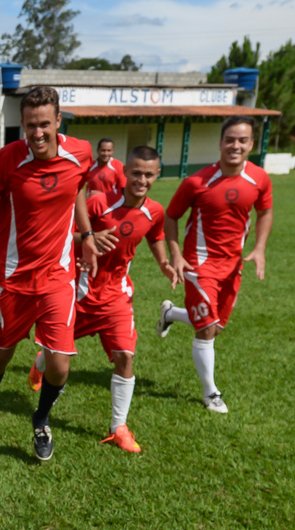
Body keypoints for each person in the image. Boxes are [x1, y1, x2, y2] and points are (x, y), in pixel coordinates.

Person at [0, 85, 100, 462]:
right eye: (30, 125)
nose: (37, 133)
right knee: (0, 353)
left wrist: (86, 234)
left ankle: (41, 418)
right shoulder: (9, 158)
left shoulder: (81, 154)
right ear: (21, 124)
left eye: (44, 124)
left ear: (59, 121)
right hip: (12, 276)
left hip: (58, 274)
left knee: (59, 363)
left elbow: (77, 190)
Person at [28, 146, 178, 452]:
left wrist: (164, 263)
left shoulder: (155, 211)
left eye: (149, 175)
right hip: (80, 293)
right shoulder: (97, 203)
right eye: (136, 173)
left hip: (116, 297)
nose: (142, 180)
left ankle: (118, 427)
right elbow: (62, 234)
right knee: (59, 354)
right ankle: (41, 363)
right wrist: (88, 240)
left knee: (125, 356)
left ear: (157, 175)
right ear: (126, 172)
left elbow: (156, 235)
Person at [158, 116, 274, 413]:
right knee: (207, 329)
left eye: (243, 140)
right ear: (220, 143)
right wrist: (176, 255)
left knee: (217, 327)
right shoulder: (197, 182)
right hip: (199, 265)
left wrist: (259, 248)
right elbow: (170, 216)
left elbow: (265, 211)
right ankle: (211, 393)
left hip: (232, 265)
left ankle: (171, 313)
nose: (236, 145)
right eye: (230, 139)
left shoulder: (259, 178)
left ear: (251, 145)